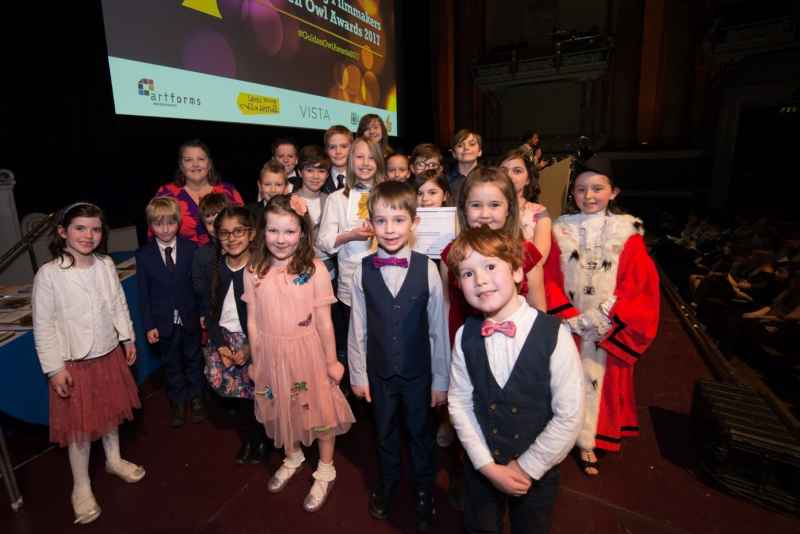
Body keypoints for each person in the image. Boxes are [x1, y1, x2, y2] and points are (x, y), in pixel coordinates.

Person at [447, 226, 583, 534]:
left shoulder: (554, 334)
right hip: (483, 464)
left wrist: (526, 468)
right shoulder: (465, 334)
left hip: (537, 471)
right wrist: (486, 466)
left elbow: (570, 415)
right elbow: (458, 401)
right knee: (479, 527)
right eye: (467, 274)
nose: (479, 279)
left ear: (519, 271)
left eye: (490, 266)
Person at [543, 154, 660, 475]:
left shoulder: (629, 234)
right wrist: (569, 318)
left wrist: (599, 319)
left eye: (597, 188)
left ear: (614, 192)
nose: (589, 196)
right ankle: (560, 438)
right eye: (581, 190)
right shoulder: (558, 231)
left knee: (598, 384)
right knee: (562, 382)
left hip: (605, 329)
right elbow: (548, 278)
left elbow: (639, 285)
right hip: (566, 326)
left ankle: (588, 441)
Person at [32, 202, 144, 524]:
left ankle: (114, 459)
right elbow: (43, 325)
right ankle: (81, 486)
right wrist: (55, 368)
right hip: (74, 362)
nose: (88, 235)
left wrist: (128, 337)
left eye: (95, 229)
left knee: (109, 413)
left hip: (108, 354)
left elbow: (118, 302)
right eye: (80, 228)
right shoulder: (50, 274)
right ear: (63, 232)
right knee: (79, 426)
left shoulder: (106, 264)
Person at [348, 181, 449, 531]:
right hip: (379, 372)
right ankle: (389, 477)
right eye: (380, 221)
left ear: (414, 223)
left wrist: (441, 380)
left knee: (421, 431)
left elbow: (438, 329)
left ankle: (422, 486)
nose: (389, 230)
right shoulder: (362, 269)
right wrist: (358, 375)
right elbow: (357, 327)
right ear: (370, 224)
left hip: (419, 373)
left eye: (398, 220)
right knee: (385, 429)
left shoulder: (428, 269)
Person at [244, 195, 355, 512]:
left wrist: (332, 361)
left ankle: (325, 468)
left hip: (308, 354)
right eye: (273, 231)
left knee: (318, 411)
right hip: (271, 357)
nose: (281, 239)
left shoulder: (315, 270)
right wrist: (256, 359)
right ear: (262, 231)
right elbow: (252, 321)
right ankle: (292, 457)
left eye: (289, 231)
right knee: (282, 406)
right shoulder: (253, 271)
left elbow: (324, 321)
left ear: (303, 233)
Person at [441, 167, 546, 344]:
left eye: (495, 205)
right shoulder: (452, 253)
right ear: (464, 208)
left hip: (516, 342)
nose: (485, 214)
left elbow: (538, 307)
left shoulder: (526, 253)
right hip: (463, 341)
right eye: (476, 205)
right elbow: (445, 303)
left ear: (509, 208)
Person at [204, 207, 270, 465]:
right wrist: (220, 346)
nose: (232, 238)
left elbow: (269, 316)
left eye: (238, 231)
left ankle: (263, 438)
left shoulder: (261, 269)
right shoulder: (216, 268)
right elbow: (209, 313)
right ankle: (250, 438)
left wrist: (251, 349)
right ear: (217, 237)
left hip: (255, 341)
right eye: (225, 233)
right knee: (242, 398)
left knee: (260, 395)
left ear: (251, 233)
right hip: (225, 342)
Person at [136, 197, 207, 427]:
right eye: (159, 224)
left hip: (189, 315)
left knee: (195, 358)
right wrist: (149, 326)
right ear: (150, 225)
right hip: (162, 320)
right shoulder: (143, 255)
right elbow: (143, 294)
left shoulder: (190, 249)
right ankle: (177, 400)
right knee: (171, 362)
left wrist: (203, 312)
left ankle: (197, 398)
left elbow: (198, 283)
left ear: (178, 222)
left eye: (170, 223)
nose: (165, 229)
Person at [317, 137, 385, 358]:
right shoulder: (337, 199)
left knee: (383, 344)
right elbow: (324, 242)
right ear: (350, 161)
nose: (366, 162)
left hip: (387, 281)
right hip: (350, 284)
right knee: (355, 346)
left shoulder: (390, 195)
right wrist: (350, 236)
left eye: (372, 157)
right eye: (359, 156)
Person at [154, 139, 244, 246]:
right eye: (188, 160)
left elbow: (244, 227)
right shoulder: (166, 193)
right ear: (181, 166)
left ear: (209, 164)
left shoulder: (229, 191)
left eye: (201, 159)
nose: (195, 164)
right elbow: (154, 232)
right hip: (183, 260)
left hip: (226, 256)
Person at [193, 193, 231, 325]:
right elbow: (197, 285)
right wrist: (216, 287)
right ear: (204, 225)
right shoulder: (200, 254)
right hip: (216, 313)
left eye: (218, 220)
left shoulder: (242, 247)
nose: (215, 226)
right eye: (209, 223)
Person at [447, 130, 482, 200]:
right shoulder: (446, 180)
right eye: (460, 145)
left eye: (472, 144)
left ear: (479, 151)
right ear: (454, 154)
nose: (466, 148)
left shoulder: (491, 177)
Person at [323, 125, 353, 193]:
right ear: (326, 151)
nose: (338, 152)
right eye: (332, 147)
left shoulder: (360, 179)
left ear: (352, 149)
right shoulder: (319, 180)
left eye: (343, 146)